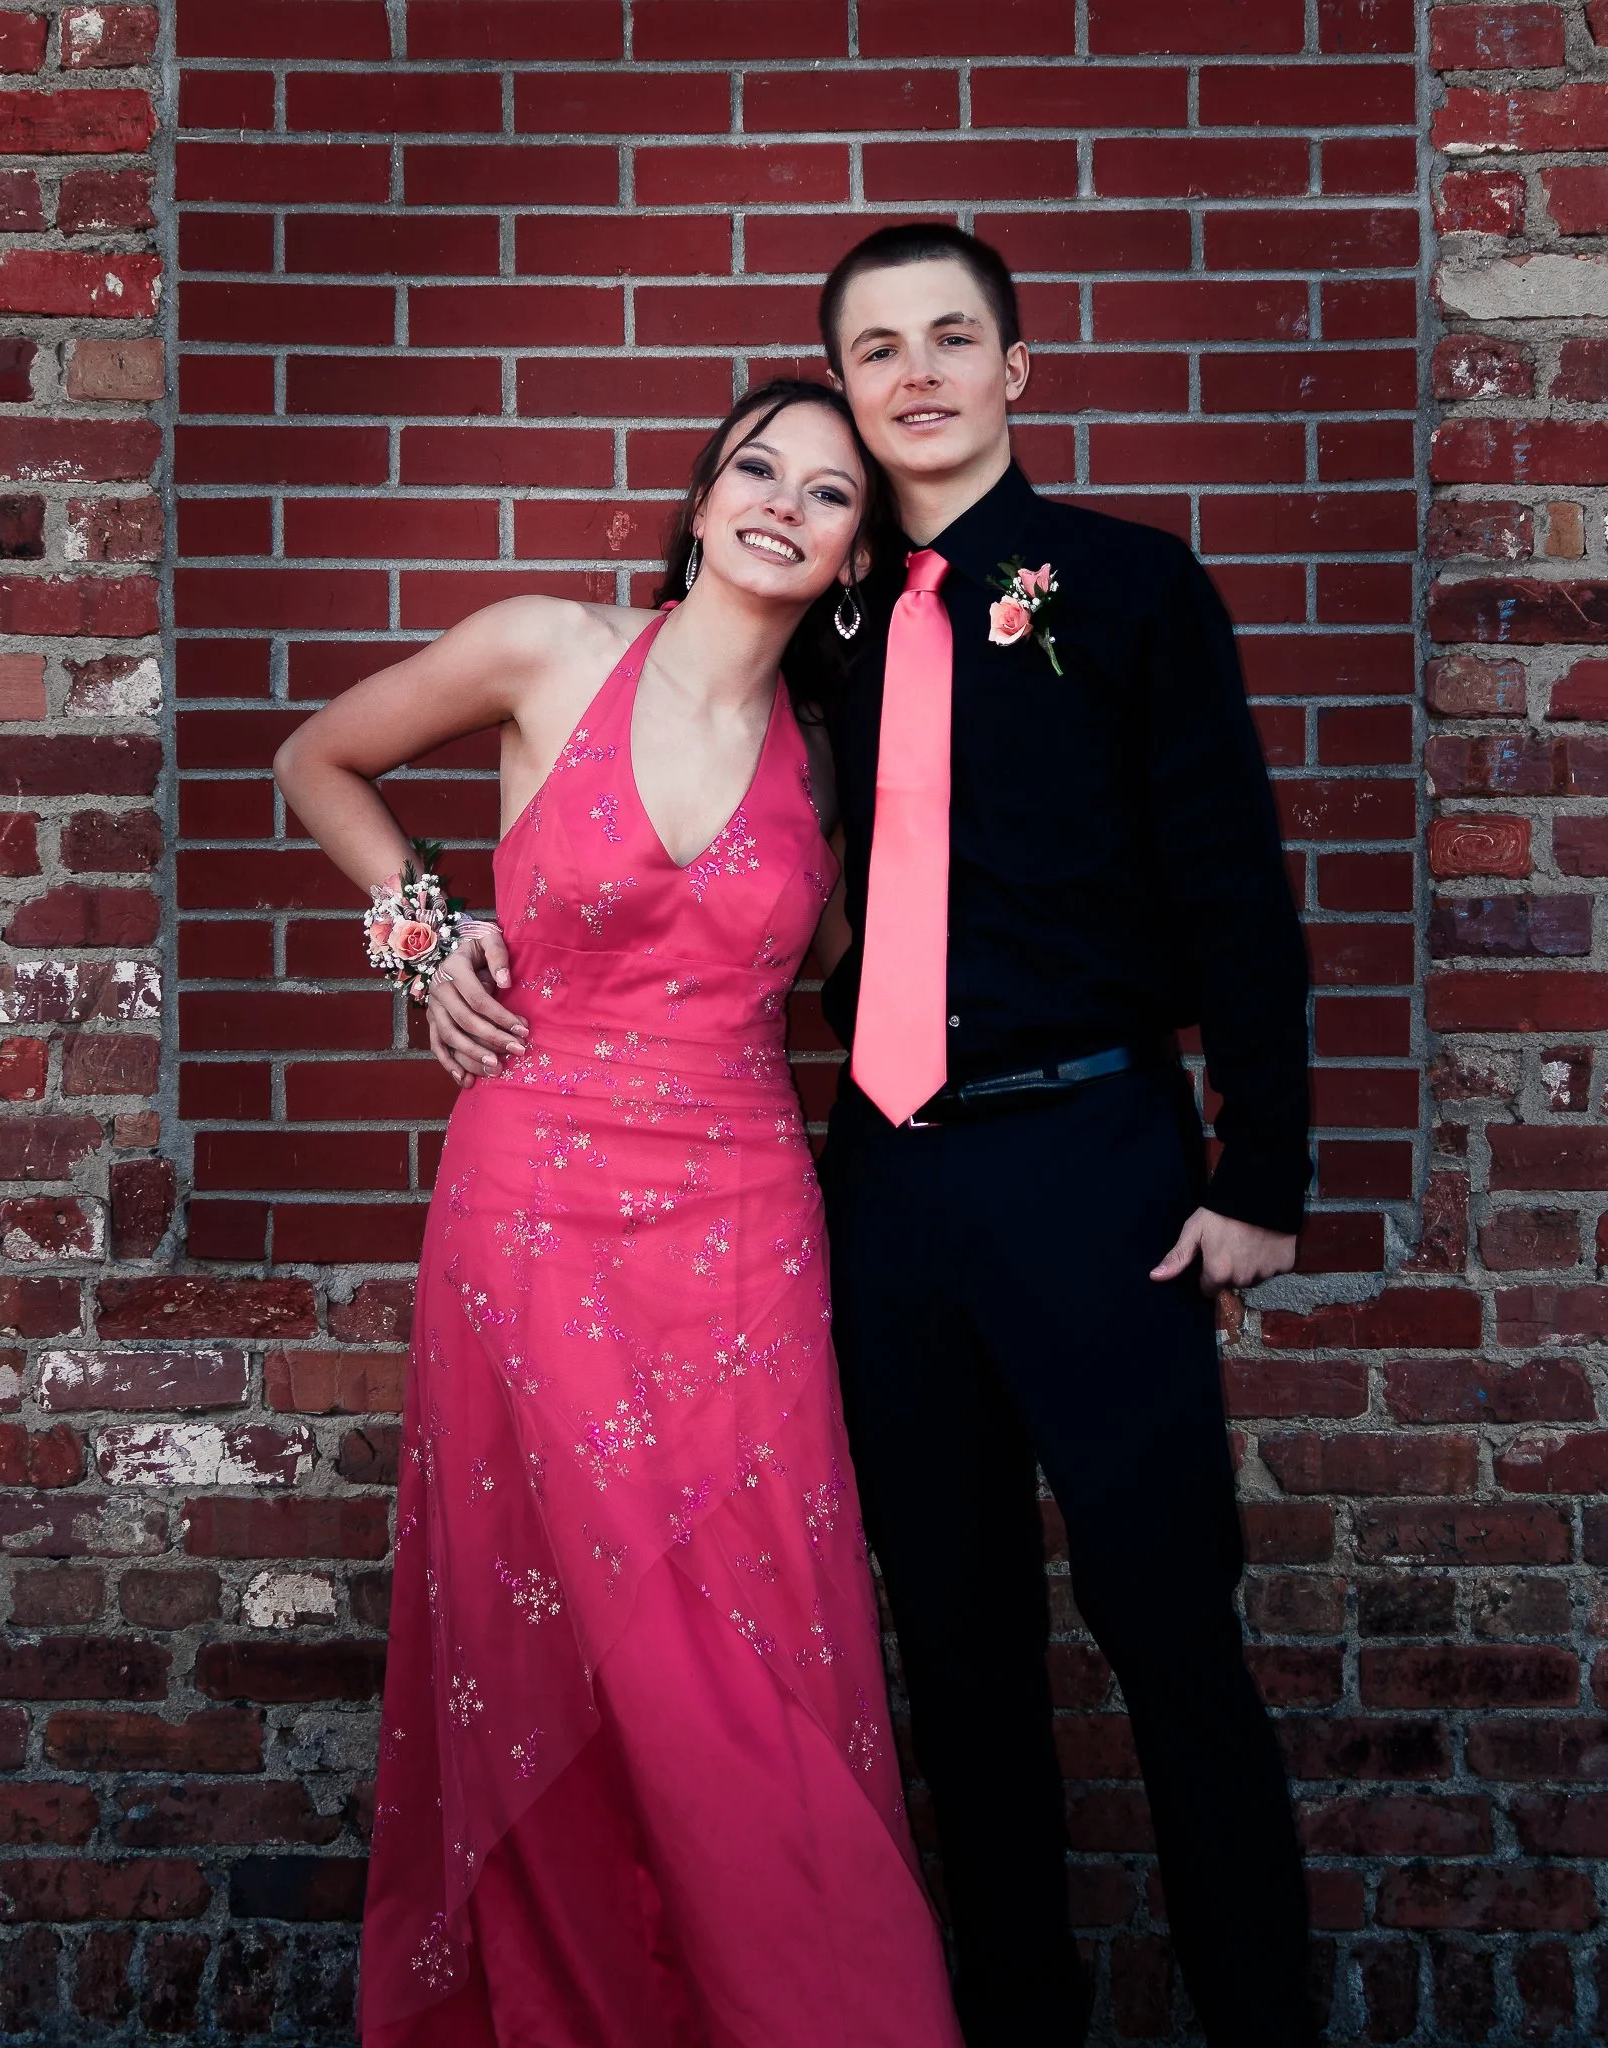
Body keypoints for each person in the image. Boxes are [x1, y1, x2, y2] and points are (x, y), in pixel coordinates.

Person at [442, 227, 1319, 2046]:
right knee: (962, 1654)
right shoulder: (811, 629)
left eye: (949, 339)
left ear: (1016, 370)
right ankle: (1011, 2017)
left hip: (1093, 1163)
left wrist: (1261, 1172)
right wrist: (443, 931)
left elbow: (1231, 883)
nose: (912, 373)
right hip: (879, 1187)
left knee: (1168, 1631)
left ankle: (1260, 2018)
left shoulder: (1129, 588)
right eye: (873, 349)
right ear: (840, 388)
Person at [273, 380, 964, 2048]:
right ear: (704, 494)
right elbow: (318, 758)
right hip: (529, 1209)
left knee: (753, 1667)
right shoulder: (547, 647)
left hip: (739, 1227)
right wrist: (426, 943)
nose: (781, 506)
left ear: (859, 551)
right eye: (757, 470)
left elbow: (851, 975)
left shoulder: (843, 761)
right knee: (553, 1647)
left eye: (828, 495)